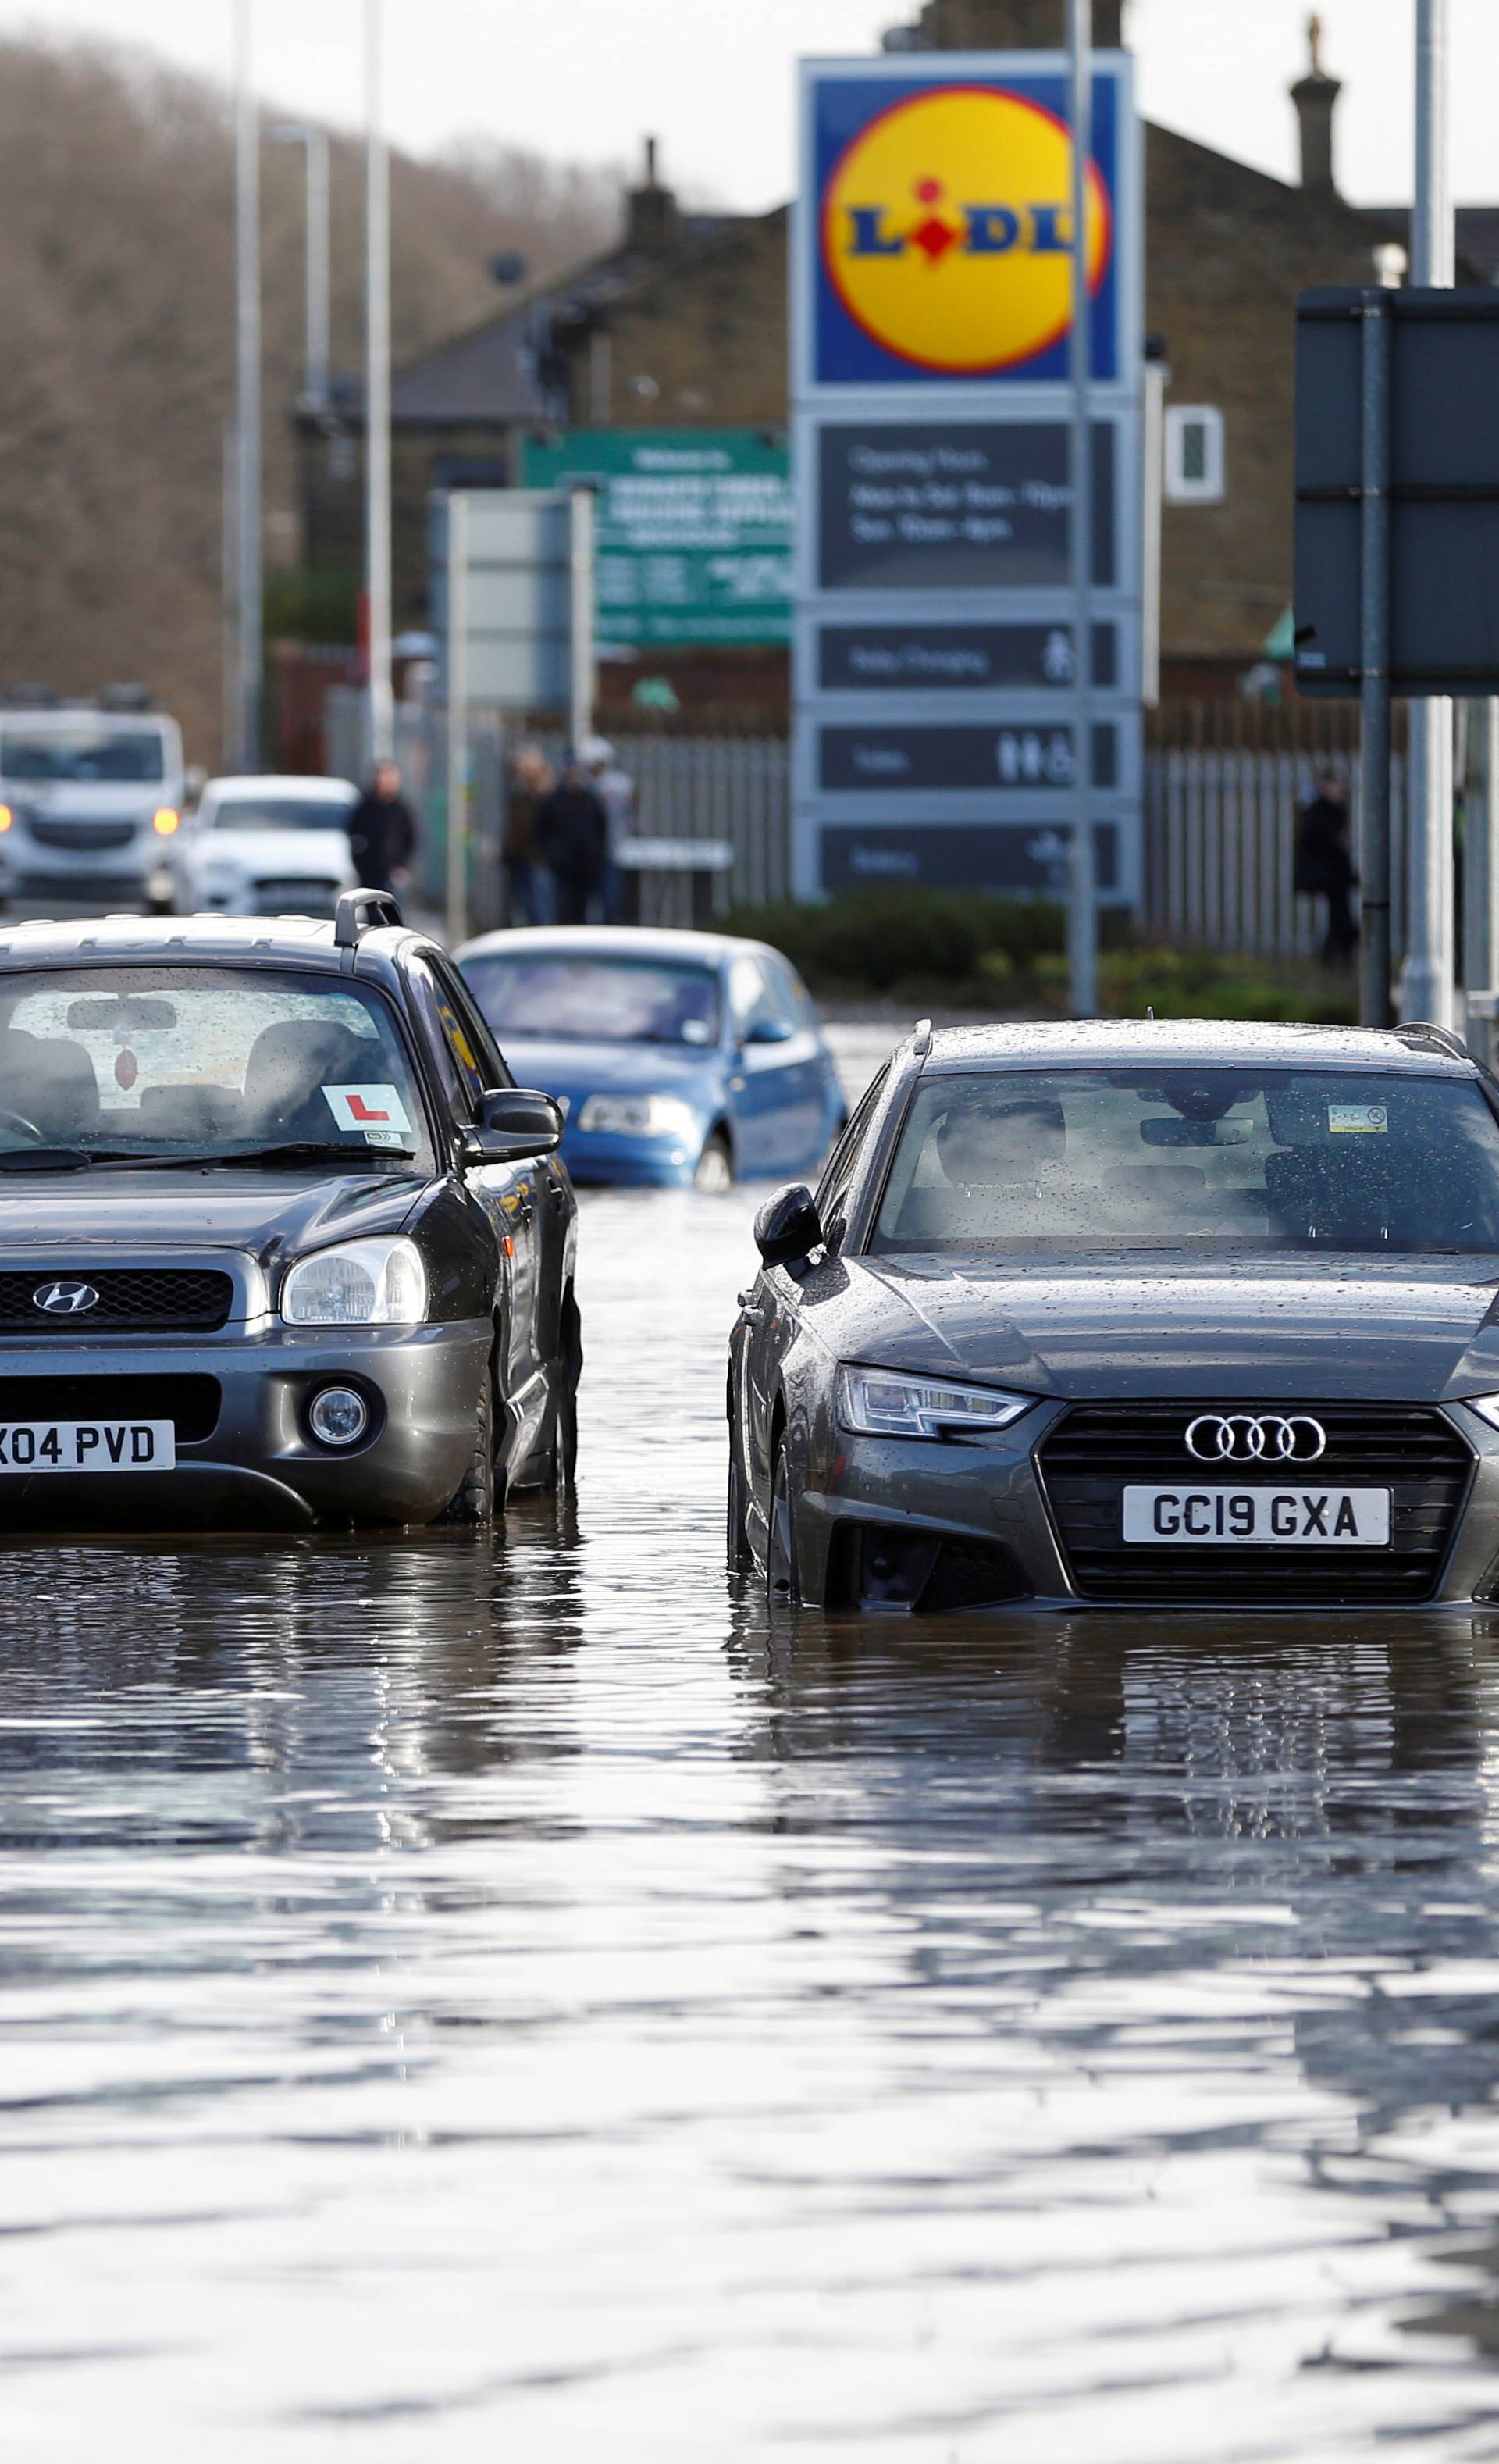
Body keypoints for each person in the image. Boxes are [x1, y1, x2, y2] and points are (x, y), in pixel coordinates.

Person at [534, 753, 609, 927]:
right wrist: (551, 854)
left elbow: (601, 829)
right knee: (563, 908)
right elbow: (540, 830)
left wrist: (595, 854)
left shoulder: (591, 800)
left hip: (585, 867)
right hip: (562, 866)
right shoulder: (553, 801)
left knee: (583, 910)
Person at [1294, 769, 1358, 966]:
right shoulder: (1319, 811)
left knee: (1338, 917)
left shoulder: (1334, 810)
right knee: (1341, 918)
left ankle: (1333, 955)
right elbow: (1315, 840)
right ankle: (1334, 955)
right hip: (1329, 875)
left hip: (1336, 875)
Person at [582, 734, 636, 924]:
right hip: (594, 849)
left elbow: (627, 812)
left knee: (611, 895)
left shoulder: (617, 784)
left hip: (613, 846)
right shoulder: (589, 784)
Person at [347, 760, 418, 898]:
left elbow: (411, 838)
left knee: (393, 914)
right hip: (370, 873)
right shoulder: (366, 806)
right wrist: (361, 863)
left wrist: (402, 865)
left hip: (393, 873)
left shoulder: (401, 808)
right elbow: (353, 834)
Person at [503, 744, 554, 927]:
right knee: (522, 903)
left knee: (538, 905)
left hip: (537, 857)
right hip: (519, 856)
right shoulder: (519, 794)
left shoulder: (545, 794)